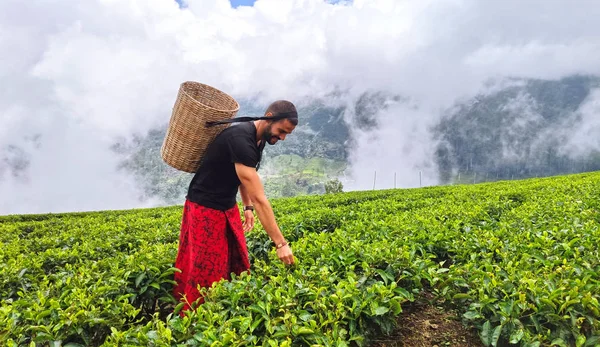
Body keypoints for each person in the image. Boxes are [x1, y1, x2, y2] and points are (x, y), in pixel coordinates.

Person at [173, 100, 298, 312]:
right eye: (281, 131)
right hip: (205, 206)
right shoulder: (240, 140)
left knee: (235, 259)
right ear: (269, 117)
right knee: (207, 269)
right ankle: (195, 316)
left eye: (287, 133)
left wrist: (247, 208)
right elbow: (261, 198)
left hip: (226, 204)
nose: (283, 137)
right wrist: (280, 243)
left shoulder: (259, 139)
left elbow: (242, 177)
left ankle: (226, 308)